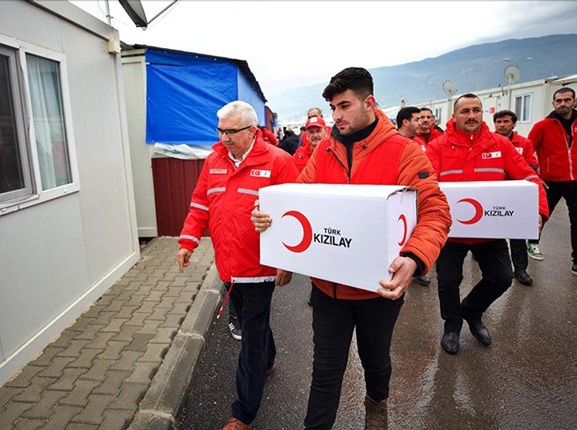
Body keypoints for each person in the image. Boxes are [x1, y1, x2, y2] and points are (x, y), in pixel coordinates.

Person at [252, 67, 451, 429]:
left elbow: (436, 212)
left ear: (369, 102)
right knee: (325, 372)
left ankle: (377, 403)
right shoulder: (324, 152)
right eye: (333, 108)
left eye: (344, 106)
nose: (337, 116)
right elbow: (298, 201)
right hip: (328, 289)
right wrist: (271, 222)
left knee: (376, 361)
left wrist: (414, 257)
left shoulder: (405, 152)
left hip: (379, 291)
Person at [177, 101, 299, 430]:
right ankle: (269, 360)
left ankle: (244, 412)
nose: (224, 137)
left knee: (250, 337)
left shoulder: (279, 162)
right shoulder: (214, 161)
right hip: (229, 266)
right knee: (252, 324)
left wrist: (287, 262)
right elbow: (200, 204)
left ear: (252, 131)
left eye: (231, 131)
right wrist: (188, 241)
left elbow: (297, 216)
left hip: (260, 269)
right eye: (220, 131)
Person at [426, 93, 549, 355]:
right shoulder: (437, 146)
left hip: (490, 230)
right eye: (465, 111)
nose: (471, 115)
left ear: (482, 113)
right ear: (454, 116)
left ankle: (471, 310)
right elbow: (426, 185)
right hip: (450, 232)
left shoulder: (500, 144)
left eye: (476, 110)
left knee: (502, 277)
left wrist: (538, 210)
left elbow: (529, 177)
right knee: (448, 281)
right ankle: (452, 324)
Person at [527, 87, 577, 281]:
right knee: (542, 215)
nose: (563, 104)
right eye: (559, 101)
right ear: (553, 103)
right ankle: (533, 242)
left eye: (567, 100)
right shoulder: (542, 126)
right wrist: (536, 174)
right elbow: (529, 150)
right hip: (551, 181)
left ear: (574, 101)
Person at [493, 109, 539, 286]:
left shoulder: (524, 143)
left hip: (516, 193)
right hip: (494, 191)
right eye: (499, 122)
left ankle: (520, 268)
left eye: (506, 122)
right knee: (490, 226)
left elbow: (532, 164)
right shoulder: (488, 142)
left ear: (513, 124)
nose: (502, 125)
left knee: (517, 231)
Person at [396, 106, 433, 287]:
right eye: (417, 119)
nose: (422, 123)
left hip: (420, 201)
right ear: (405, 122)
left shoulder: (418, 144)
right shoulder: (393, 146)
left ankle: (415, 264)